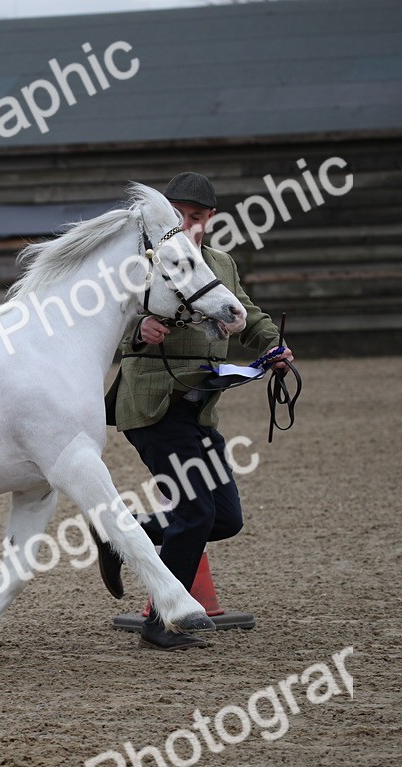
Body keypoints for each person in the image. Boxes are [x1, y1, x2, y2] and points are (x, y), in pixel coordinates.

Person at [99, 172, 294, 651]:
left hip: (200, 406)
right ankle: (164, 622)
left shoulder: (220, 265)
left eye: (195, 217)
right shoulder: (142, 265)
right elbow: (104, 326)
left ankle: (121, 537)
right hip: (151, 403)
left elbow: (245, 313)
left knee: (224, 518)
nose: (187, 224)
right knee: (195, 512)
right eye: (178, 215)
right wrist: (138, 329)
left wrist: (276, 345)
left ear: (209, 220)